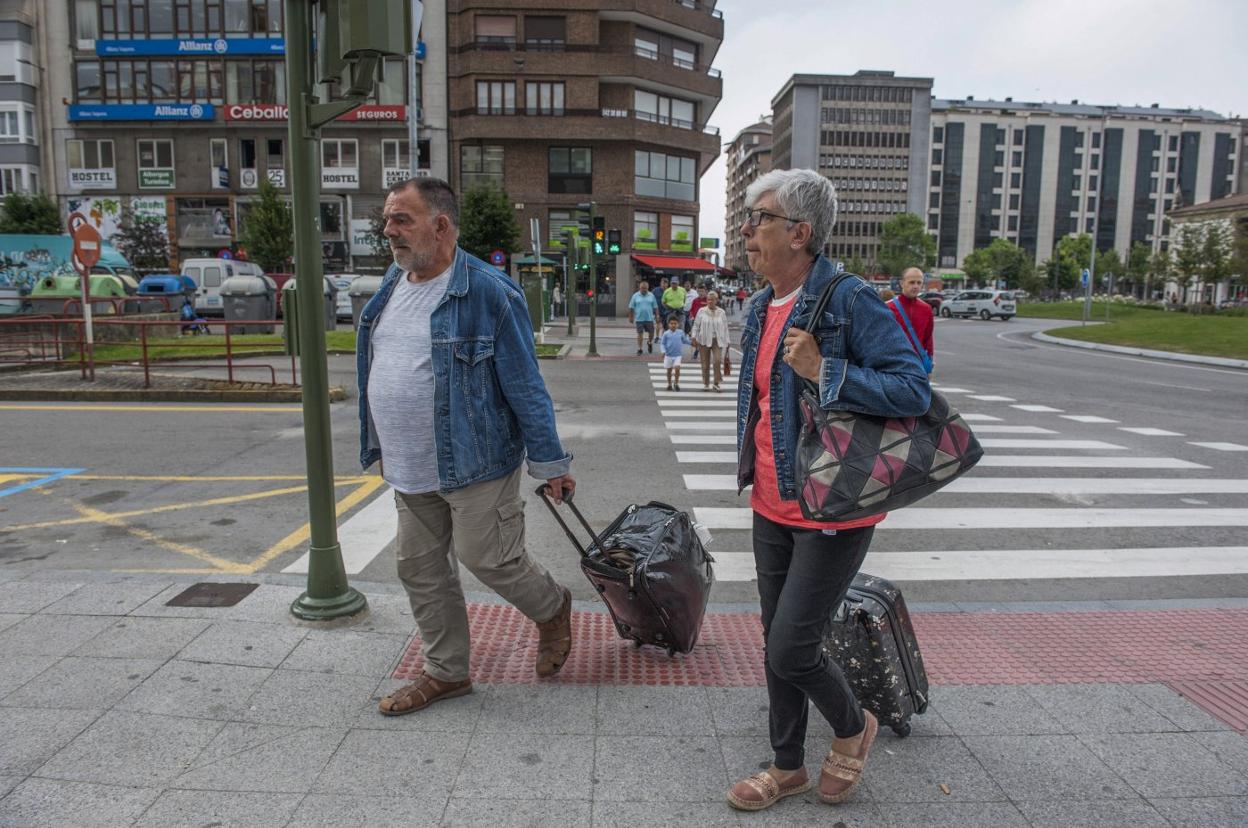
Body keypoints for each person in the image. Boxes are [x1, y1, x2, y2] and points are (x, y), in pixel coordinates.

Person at [725, 169, 929, 811]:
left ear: (800, 232)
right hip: (771, 498)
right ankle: (787, 764)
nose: (746, 230)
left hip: (832, 504)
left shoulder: (848, 300)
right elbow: (763, 406)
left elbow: (913, 390)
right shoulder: (760, 307)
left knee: (793, 643)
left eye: (757, 218)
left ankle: (851, 724)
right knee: (774, 639)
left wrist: (825, 369)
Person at [356, 177, 576, 716]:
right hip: (409, 466)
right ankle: (447, 672)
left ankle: (551, 609)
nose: (389, 231)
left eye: (401, 219)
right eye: (387, 220)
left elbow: (525, 384)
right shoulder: (393, 280)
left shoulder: (488, 290)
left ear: (441, 225)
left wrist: (550, 462)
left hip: (475, 460)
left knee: (490, 559)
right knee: (421, 570)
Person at [886, 267, 935, 374]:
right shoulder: (888, 308)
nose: (916, 286)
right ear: (902, 283)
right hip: (893, 365)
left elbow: (928, 339)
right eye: (912, 282)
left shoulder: (926, 309)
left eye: (919, 283)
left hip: (917, 365)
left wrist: (930, 361)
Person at [691, 289, 729, 392]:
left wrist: (727, 342)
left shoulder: (721, 312)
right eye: (708, 300)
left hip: (718, 340)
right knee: (705, 363)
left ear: (717, 300)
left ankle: (716, 383)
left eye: (712, 300)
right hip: (704, 340)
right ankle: (706, 383)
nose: (710, 302)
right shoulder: (701, 311)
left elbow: (725, 328)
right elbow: (696, 325)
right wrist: (694, 336)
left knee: (717, 361)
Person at [658, 315, 690, 391]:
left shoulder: (680, 332)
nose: (673, 325)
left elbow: (684, 340)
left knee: (677, 368)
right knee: (669, 370)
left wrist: (692, 343)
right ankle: (669, 384)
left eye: (675, 323)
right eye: (671, 323)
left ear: (678, 324)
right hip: (668, 355)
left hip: (677, 355)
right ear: (668, 324)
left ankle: (676, 383)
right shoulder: (666, 333)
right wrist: (663, 351)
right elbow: (662, 343)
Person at [628, 280, 659, 354]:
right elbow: (631, 307)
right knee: (640, 334)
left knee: (651, 333)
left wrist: (657, 315)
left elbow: (655, 307)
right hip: (639, 319)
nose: (644, 290)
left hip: (649, 318)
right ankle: (640, 348)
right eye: (642, 288)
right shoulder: (635, 296)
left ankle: (649, 342)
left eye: (645, 288)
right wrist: (631, 317)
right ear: (639, 288)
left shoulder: (651, 295)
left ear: (648, 288)